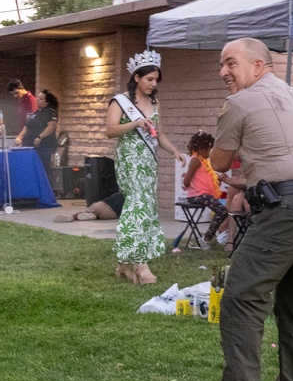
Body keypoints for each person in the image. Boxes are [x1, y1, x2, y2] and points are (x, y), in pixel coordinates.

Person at [179, 37, 293, 381]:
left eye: (230, 63)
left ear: (258, 65)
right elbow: (290, 154)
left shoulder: (240, 103)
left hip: (287, 209)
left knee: (241, 299)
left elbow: (217, 160)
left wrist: (240, 165)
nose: (222, 72)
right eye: (221, 64)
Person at [106, 50, 185, 285]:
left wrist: (174, 151)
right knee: (137, 207)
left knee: (146, 208)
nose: (153, 84)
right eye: (149, 79)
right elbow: (110, 131)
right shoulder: (120, 101)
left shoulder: (154, 102)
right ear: (137, 78)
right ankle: (140, 264)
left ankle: (123, 264)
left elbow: (159, 134)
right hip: (130, 160)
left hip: (149, 164)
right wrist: (135, 123)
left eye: (156, 80)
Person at [181, 131, 228, 247]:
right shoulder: (195, 161)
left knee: (222, 210)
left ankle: (208, 236)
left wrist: (219, 179)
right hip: (196, 195)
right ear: (201, 148)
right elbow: (186, 182)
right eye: (209, 149)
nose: (211, 152)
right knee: (222, 210)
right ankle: (207, 238)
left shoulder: (205, 162)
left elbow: (206, 179)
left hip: (204, 195)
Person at [14, 89, 59, 173]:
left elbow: (52, 126)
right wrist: (19, 137)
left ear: (47, 102)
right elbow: (27, 126)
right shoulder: (37, 112)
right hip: (31, 146)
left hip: (44, 147)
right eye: (38, 98)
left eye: (41, 99)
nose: (37, 100)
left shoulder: (49, 112)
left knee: (42, 169)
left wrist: (40, 137)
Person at [53, 192, 125, 222]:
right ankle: (92, 216)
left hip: (100, 205)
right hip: (110, 214)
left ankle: (71, 217)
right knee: (96, 216)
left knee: (89, 211)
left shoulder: (119, 194)